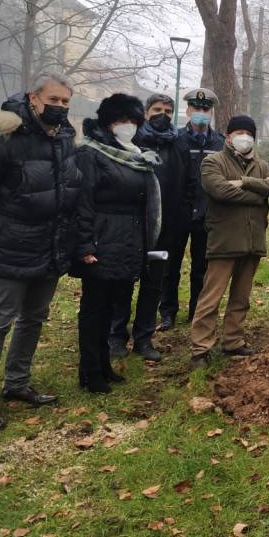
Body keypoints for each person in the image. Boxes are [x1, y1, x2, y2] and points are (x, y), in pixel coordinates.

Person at [0, 75, 81, 430]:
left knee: (34, 318)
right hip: (11, 243)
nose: (61, 107)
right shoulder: (5, 136)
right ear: (33, 98)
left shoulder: (65, 137)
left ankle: (17, 383)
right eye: (54, 99)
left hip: (50, 243)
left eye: (67, 102)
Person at [71, 94, 162, 394]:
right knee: (94, 308)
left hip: (128, 242)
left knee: (112, 308)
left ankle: (105, 365)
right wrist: (84, 245)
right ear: (108, 122)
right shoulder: (90, 153)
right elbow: (82, 202)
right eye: (122, 121)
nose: (129, 127)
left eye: (134, 121)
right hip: (101, 239)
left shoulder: (136, 154)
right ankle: (90, 371)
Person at [190, 115, 269, 368]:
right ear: (228, 136)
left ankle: (233, 341)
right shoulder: (213, 162)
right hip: (224, 241)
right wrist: (257, 195)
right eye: (238, 132)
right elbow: (219, 190)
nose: (244, 137)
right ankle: (200, 349)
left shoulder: (260, 165)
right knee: (211, 298)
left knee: (241, 298)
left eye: (248, 133)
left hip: (253, 241)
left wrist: (245, 182)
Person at [110, 93, 194, 362]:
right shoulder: (131, 140)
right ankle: (116, 337)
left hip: (167, 226)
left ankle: (144, 338)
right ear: (146, 112)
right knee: (123, 283)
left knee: (153, 284)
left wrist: (180, 218)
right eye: (157, 109)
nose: (163, 114)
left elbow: (188, 183)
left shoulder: (178, 142)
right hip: (133, 226)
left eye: (168, 110)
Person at [158, 89, 225, 331]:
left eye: (205, 109)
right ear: (187, 111)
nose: (200, 113)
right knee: (170, 267)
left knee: (201, 268)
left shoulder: (220, 142)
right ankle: (167, 312)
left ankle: (197, 310)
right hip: (178, 213)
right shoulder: (175, 139)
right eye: (196, 108)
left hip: (206, 214)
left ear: (211, 112)